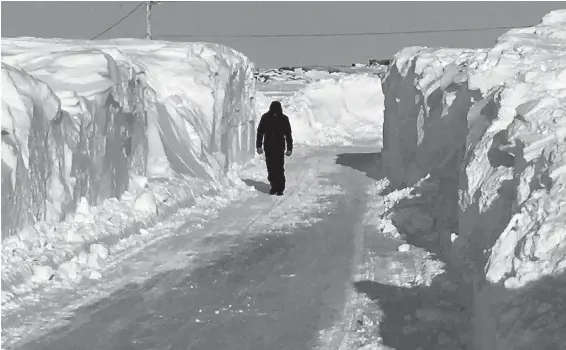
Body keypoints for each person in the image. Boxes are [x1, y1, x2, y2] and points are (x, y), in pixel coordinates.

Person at [256, 101, 293, 196]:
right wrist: (259, 145)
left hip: (279, 147)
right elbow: (260, 132)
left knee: (279, 167)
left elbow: (288, 134)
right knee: (271, 167)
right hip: (268, 147)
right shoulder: (265, 118)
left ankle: (280, 188)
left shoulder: (284, 119)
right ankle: (273, 186)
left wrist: (289, 148)